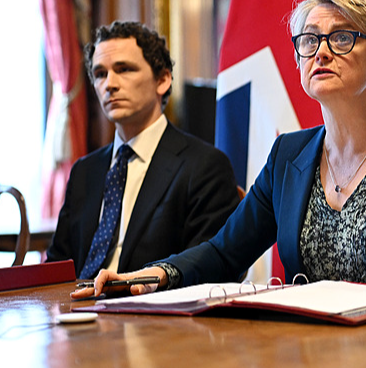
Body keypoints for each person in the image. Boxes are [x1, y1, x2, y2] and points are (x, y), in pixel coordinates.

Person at [73, 0, 366, 309]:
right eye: (309, 41)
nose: (321, 52)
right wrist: (154, 275)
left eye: (341, 37)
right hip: (308, 350)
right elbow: (225, 252)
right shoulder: (288, 155)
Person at [47, 21, 240, 278]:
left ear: (162, 80)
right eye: (100, 74)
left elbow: (206, 267)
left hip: (152, 309)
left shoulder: (204, 166)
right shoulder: (85, 170)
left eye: (124, 69)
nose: (110, 84)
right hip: (75, 310)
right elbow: (57, 266)